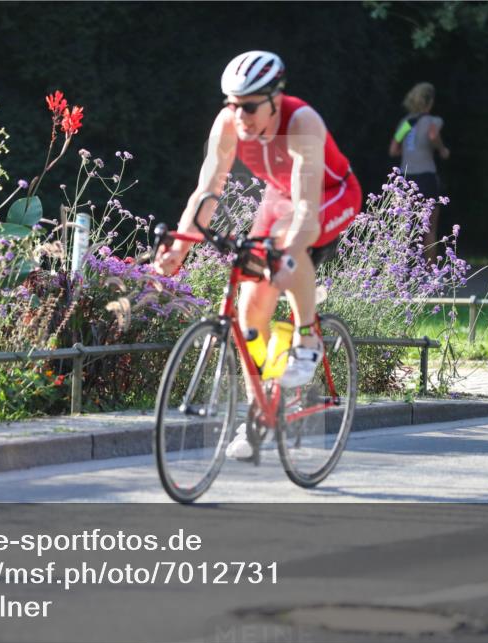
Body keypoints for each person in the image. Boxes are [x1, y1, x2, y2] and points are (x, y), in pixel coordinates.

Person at [153, 51, 362, 456]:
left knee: (286, 244)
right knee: (249, 311)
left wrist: (286, 256)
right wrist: (180, 246)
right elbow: (207, 191)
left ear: (274, 99)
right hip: (281, 198)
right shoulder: (228, 123)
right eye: (232, 103)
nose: (240, 114)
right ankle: (261, 411)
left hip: (331, 194)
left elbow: (304, 209)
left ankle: (307, 339)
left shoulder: (301, 121)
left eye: (249, 105)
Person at [388, 82, 449, 260]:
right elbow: (432, 136)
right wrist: (442, 150)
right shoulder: (434, 121)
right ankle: (430, 275)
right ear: (430, 102)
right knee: (429, 229)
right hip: (425, 177)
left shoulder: (405, 123)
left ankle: (398, 272)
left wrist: (406, 151)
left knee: (404, 229)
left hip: (405, 178)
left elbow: (393, 149)